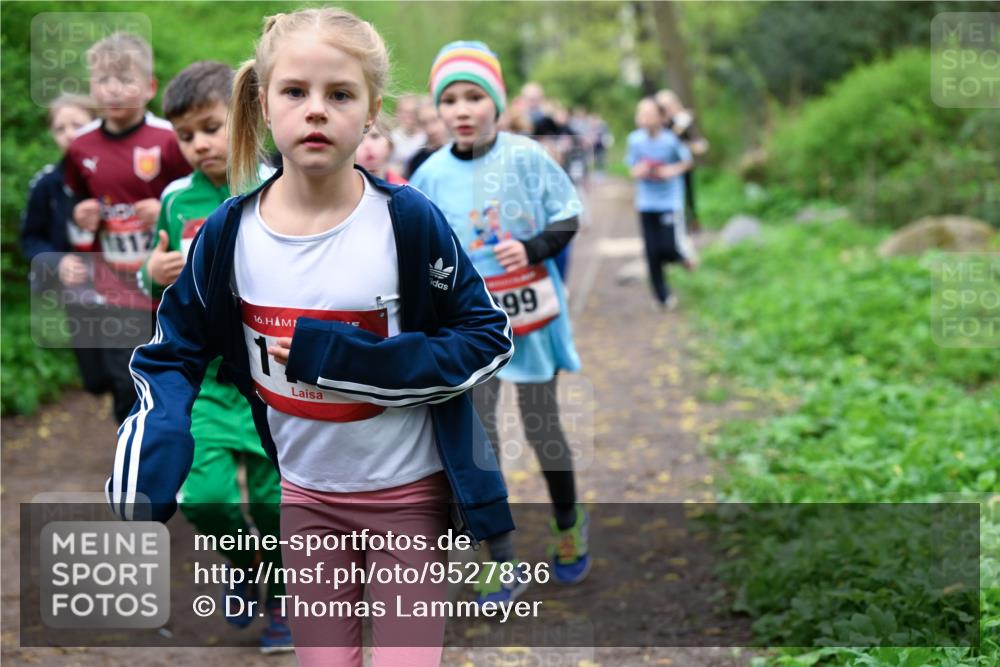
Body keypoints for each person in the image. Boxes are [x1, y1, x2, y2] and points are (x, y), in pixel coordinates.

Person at [105, 9, 514, 667]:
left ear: (372, 111)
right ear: (265, 104)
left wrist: (353, 361)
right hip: (306, 499)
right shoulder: (228, 234)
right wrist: (155, 435)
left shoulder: (408, 221)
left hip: (409, 497)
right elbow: (173, 348)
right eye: (296, 92)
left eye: (340, 94)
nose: (316, 110)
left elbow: (484, 338)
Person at [410, 41, 590, 607]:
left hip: (529, 313)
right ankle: (501, 562)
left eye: (475, 96)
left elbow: (569, 216)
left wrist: (533, 246)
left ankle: (568, 523)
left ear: (497, 101)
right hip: (469, 325)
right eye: (451, 100)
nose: (462, 109)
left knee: (541, 427)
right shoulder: (429, 174)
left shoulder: (527, 156)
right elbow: (419, 248)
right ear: (440, 111)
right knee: (476, 442)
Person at [137, 60, 291, 653]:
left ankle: (280, 599)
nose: (199, 144)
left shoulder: (275, 185)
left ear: (245, 117)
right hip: (205, 381)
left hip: (270, 374)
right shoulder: (176, 200)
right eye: (185, 135)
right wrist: (153, 273)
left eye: (210, 127)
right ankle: (244, 567)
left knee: (280, 501)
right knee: (204, 497)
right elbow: (160, 282)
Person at [63, 32, 191, 423]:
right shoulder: (80, 147)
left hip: (169, 284)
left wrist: (167, 205)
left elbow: (202, 196)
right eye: (103, 80)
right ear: (91, 88)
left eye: (125, 79)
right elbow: (76, 209)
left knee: (175, 375)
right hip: (115, 290)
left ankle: (183, 455)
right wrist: (80, 217)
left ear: (149, 87)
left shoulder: (169, 139)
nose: (114, 89)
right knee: (125, 380)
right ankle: (131, 457)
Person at [20, 94, 109, 394]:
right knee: (96, 380)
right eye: (60, 128)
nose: (69, 133)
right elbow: (30, 238)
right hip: (80, 295)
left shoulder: (116, 175)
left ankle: (138, 434)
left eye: (78, 125)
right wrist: (57, 261)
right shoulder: (46, 185)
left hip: (125, 291)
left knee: (130, 373)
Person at [627, 97, 695, 311]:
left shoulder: (671, 140)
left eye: (649, 114)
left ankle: (681, 256)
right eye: (641, 114)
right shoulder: (635, 140)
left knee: (667, 246)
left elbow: (686, 162)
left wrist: (669, 171)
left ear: (660, 117)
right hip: (646, 202)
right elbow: (631, 168)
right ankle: (662, 296)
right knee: (651, 252)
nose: (644, 118)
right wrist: (641, 170)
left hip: (669, 200)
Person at [655, 89, 709, 233]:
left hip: (683, 164)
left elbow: (693, 140)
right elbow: (667, 140)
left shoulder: (681, 120)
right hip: (666, 165)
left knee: (688, 193)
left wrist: (696, 144)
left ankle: (691, 222)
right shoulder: (661, 123)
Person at [404, 98, 447, 179]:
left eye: (435, 120)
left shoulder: (465, 153)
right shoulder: (417, 161)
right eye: (424, 123)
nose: (431, 129)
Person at [356, 117, 406, 184]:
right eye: (359, 140)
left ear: (390, 143)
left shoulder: (403, 189)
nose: (368, 145)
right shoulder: (340, 190)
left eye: (375, 136)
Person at [389, 93, 426, 170]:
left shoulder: (426, 138)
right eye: (404, 113)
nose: (408, 117)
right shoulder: (392, 138)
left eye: (412, 113)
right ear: (397, 114)